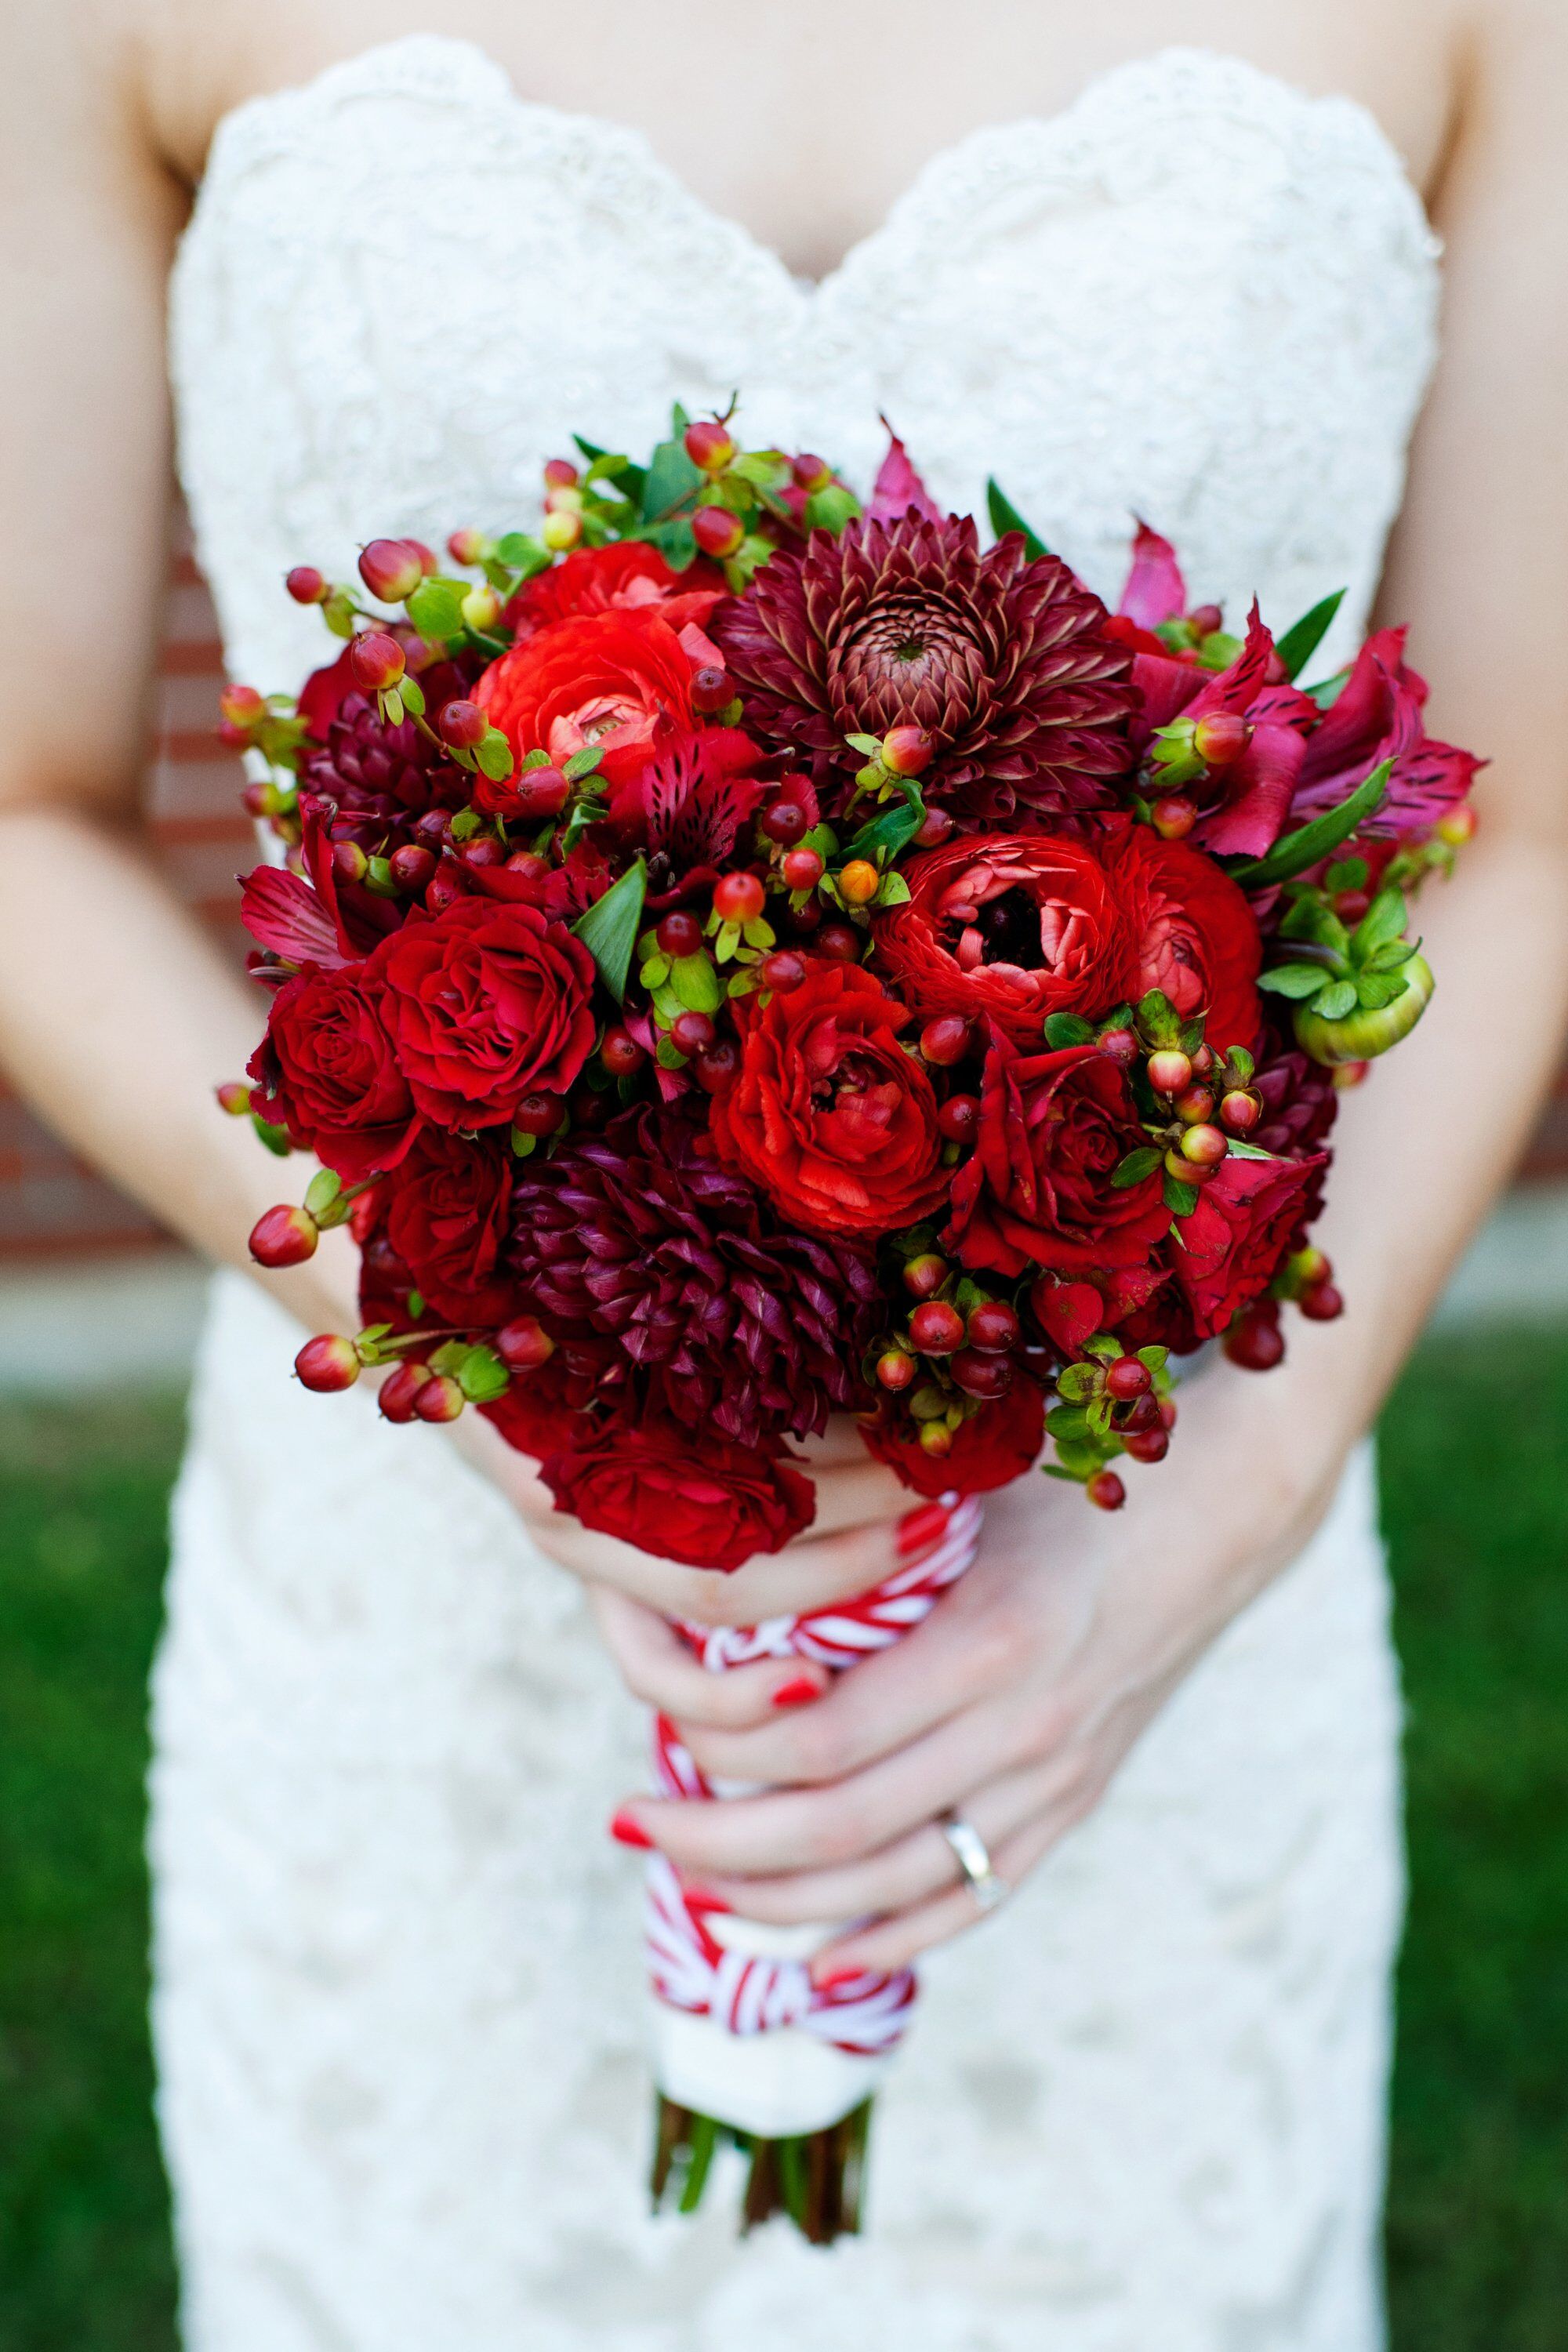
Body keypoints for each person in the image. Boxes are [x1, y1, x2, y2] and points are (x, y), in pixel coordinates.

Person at [2, 5, 1566, 2345]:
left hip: (1136, 1589)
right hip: (438, 1627)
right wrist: (485, 1341)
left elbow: (1526, 829)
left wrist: (1172, 1563)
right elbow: (20, 815)